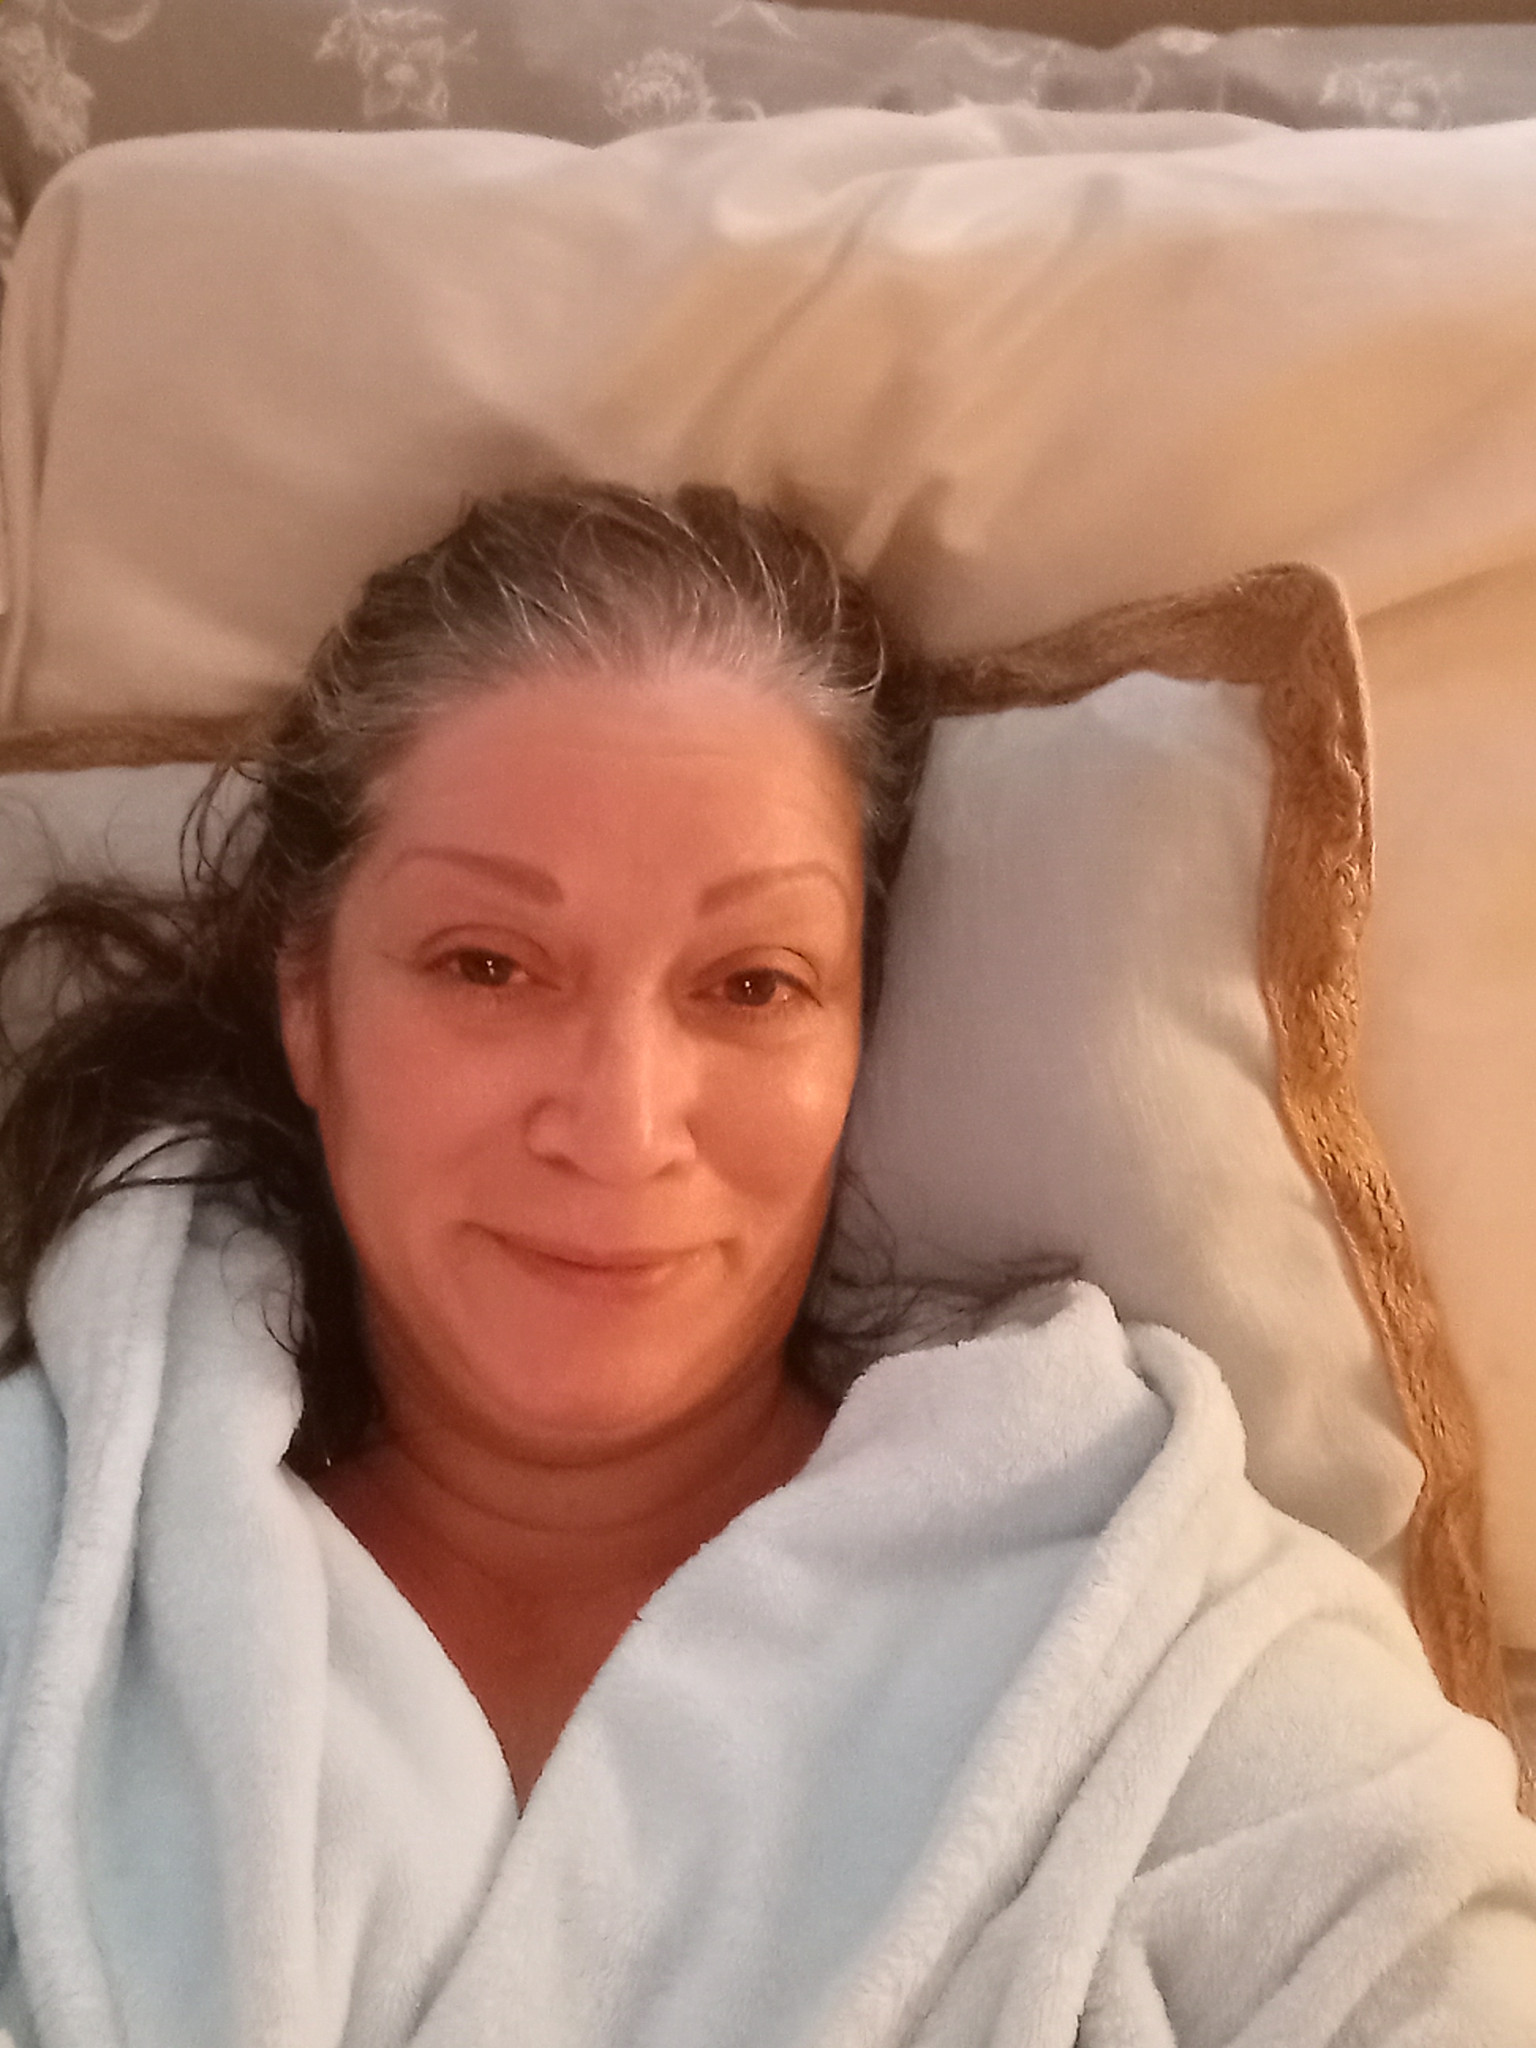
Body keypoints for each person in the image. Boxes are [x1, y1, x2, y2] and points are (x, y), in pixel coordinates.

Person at [1, 481, 1533, 2047]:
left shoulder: (1159, 1647)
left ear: (859, 1030)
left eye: (751, 984)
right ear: (311, 1005)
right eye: (488, 964)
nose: (620, 1127)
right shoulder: (43, 1577)